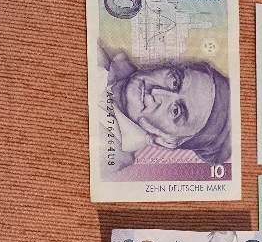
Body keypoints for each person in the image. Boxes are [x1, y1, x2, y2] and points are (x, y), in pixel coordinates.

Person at [99, 47, 231, 168]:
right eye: (175, 82)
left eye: (175, 111)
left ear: (164, 141)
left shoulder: (108, 154)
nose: (156, 91)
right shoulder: (102, 59)